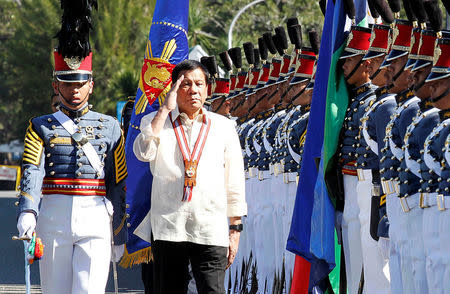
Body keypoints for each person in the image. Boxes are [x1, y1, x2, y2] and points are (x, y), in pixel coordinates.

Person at [16, 2, 127, 293]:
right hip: (54, 212)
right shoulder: (40, 125)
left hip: (95, 213)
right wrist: (28, 210)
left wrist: (119, 232)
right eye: (67, 83)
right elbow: (32, 170)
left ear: (91, 84)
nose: (73, 90)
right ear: (56, 85)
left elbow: (117, 183)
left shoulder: (110, 126)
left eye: (80, 83)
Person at [133, 59, 247, 294]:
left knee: (213, 290)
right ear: (174, 88)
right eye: (185, 84)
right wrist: (164, 110)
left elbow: (234, 180)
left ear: (208, 89)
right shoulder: (155, 122)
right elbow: (144, 153)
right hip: (168, 226)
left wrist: (235, 228)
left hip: (210, 226)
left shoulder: (223, 127)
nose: (193, 90)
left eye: (199, 83)